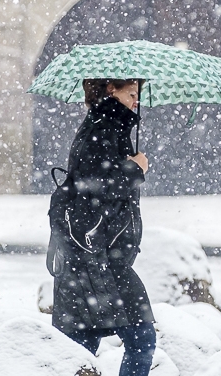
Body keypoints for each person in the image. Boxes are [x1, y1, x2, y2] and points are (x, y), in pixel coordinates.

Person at [47, 78, 155, 376]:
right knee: (141, 339)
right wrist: (136, 168)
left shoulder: (108, 126)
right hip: (99, 261)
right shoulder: (102, 128)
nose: (136, 101)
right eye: (131, 93)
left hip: (91, 260)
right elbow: (95, 187)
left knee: (81, 348)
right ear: (111, 90)